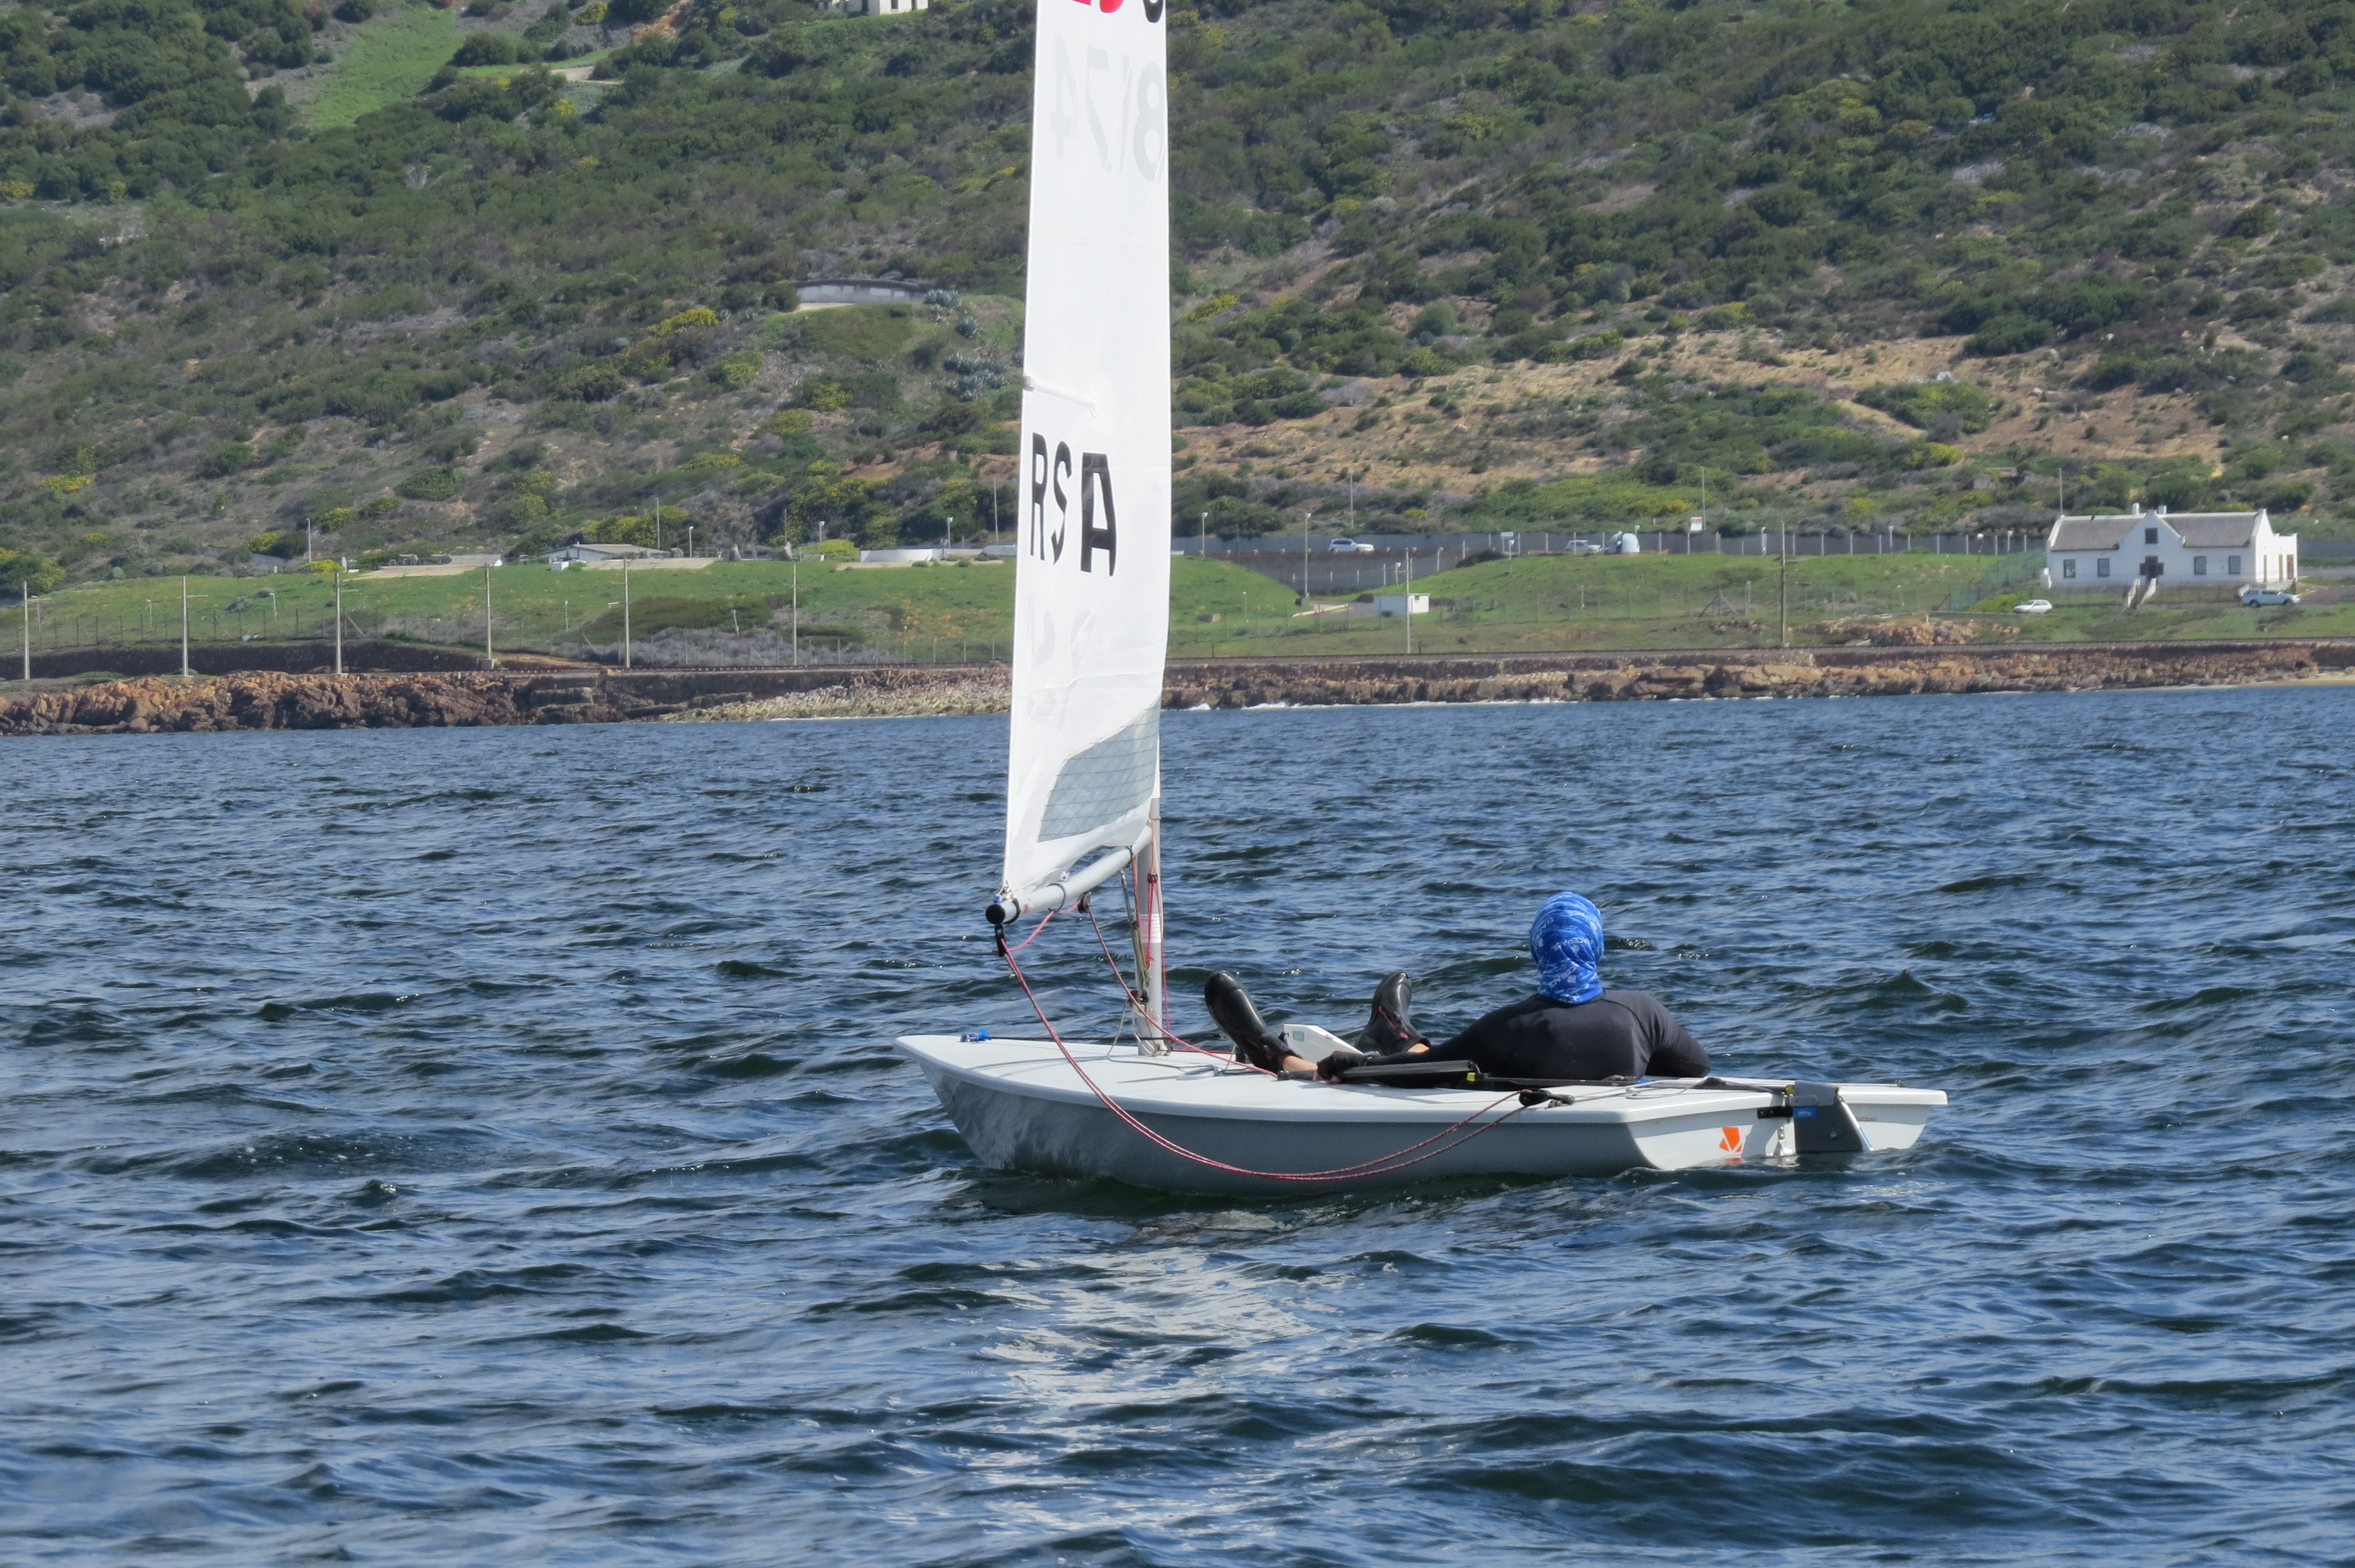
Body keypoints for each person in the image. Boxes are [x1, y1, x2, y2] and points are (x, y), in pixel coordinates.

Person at [1203, 891, 1710, 1083]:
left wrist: (1350, 1064)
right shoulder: (1642, 1013)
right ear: (1598, 948)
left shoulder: (1513, 1027)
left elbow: (1428, 1070)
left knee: (1425, 1058)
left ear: (1537, 951)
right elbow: (1695, 1069)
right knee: (1442, 1057)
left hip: (1476, 1080)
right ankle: (1395, 1029)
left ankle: (1271, 1052)